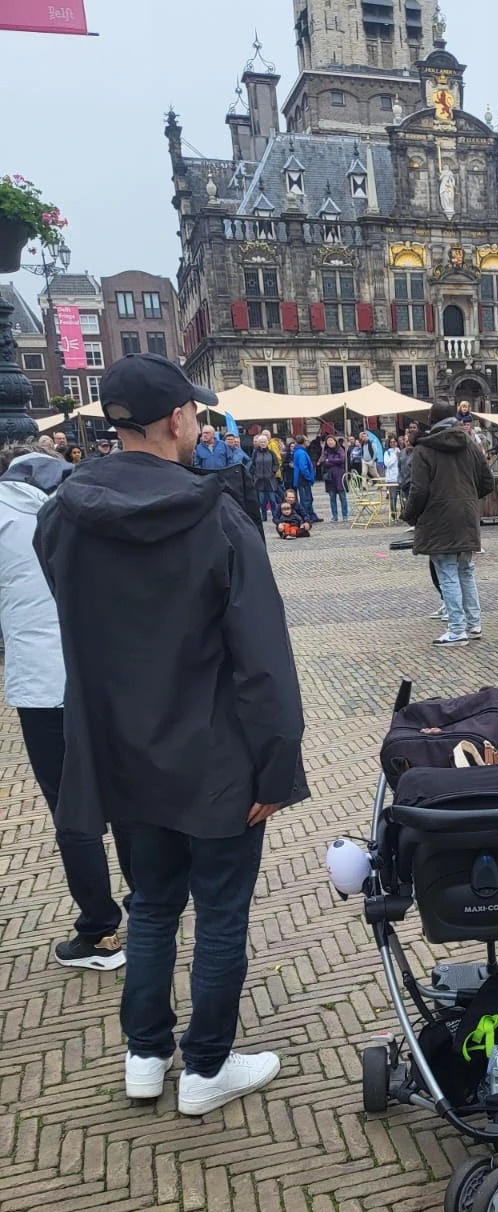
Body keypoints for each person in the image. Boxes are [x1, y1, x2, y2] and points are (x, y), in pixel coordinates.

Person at [34, 352, 308, 1116]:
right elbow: (262, 658)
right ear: (178, 419)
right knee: (219, 911)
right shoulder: (215, 514)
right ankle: (206, 1066)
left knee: (151, 904)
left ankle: (146, 1055)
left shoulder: (62, 515)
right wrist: (276, 767)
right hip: (215, 757)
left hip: (124, 754)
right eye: (193, 412)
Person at [0, 439, 131, 971]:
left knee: (71, 810)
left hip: (42, 687)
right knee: (127, 796)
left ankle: (100, 932)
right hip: (106, 677)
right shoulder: (89, 508)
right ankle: (151, 904)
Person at [403, 398, 493, 646]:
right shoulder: (470, 444)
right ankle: (474, 624)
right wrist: (468, 498)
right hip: (466, 515)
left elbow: (418, 490)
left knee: (447, 573)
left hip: (438, 518)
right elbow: (488, 482)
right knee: (466, 570)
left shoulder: (424, 450)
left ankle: (456, 629)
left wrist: (410, 515)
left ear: (431, 421)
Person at [251, 431, 281, 522]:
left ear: (267, 442)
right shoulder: (255, 453)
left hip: (270, 480)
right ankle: (263, 516)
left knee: (272, 499)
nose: (263, 443)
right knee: (261, 500)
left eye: (264, 442)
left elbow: (276, 464)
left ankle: (275, 516)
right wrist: (256, 473)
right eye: (261, 442)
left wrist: (273, 472)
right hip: (259, 480)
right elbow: (253, 465)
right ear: (259, 443)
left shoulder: (271, 453)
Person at [322, 435, 349, 523]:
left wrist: (329, 460)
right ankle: (334, 516)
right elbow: (324, 462)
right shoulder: (325, 451)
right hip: (330, 477)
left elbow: (341, 460)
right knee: (332, 497)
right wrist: (333, 460)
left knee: (342, 497)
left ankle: (345, 515)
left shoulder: (340, 449)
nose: (330, 442)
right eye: (328, 441)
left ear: (335, 441)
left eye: (331, 440)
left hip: (339, 476)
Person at [292, 434, 317, 522]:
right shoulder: (301, 452)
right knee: (306, 499)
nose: (308, 442)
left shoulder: (299, 451)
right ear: (303, 442)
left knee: (308, 498)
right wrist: (309, 477)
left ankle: (312, 515)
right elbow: (303, 467)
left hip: (301, 478)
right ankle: (307, 517)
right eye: (306, 440)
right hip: (303, 479)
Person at [383, 433, 402, 520]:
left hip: (400, 478)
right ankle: (393, 514)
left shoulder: (400, 451)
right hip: (391, 479)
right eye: (391, 442)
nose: (393, 443)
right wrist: (395, 457)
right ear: (389, 443)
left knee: (402, 497)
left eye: (394, 442)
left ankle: (403, 513)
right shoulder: (387, 453)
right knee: (393, 497)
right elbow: (387, 464)